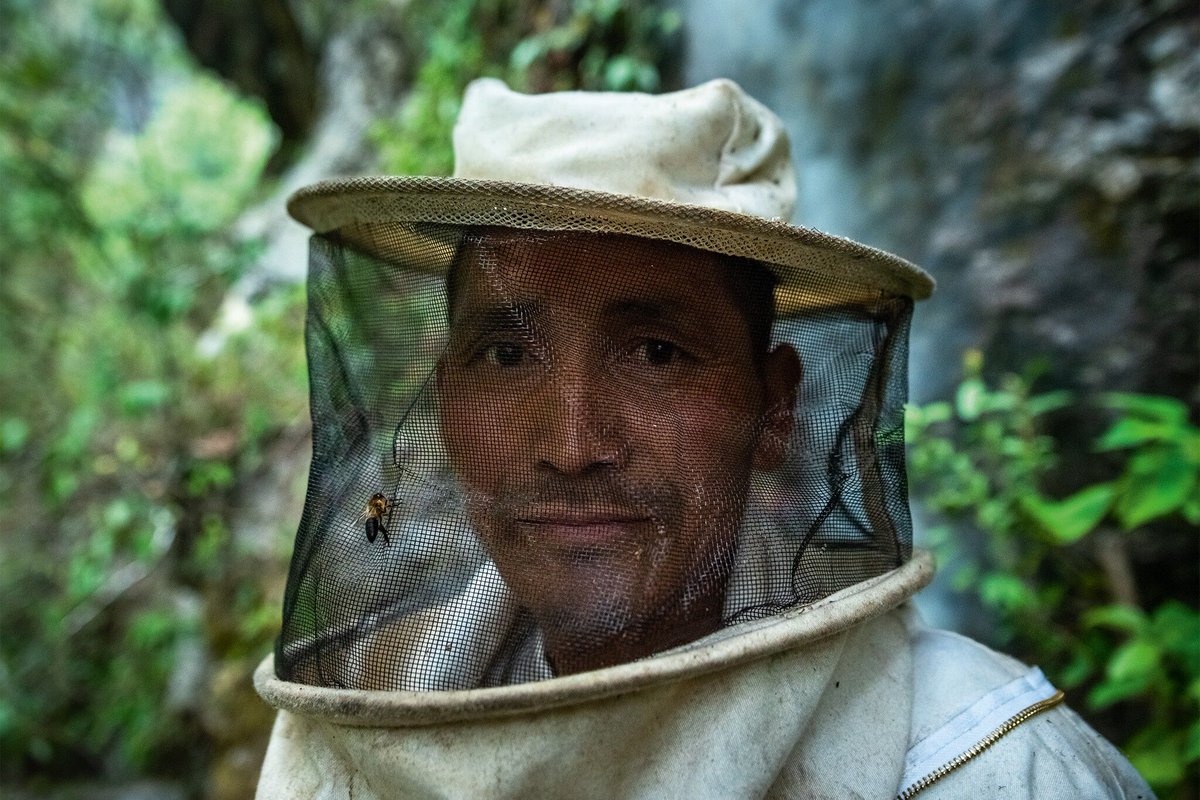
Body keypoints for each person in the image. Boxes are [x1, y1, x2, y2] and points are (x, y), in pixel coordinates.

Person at [255, 78, 1153, 798]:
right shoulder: (364, 720)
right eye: (507, 354)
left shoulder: (994, 765)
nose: (571, 443)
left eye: (655, 352)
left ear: (773, 410)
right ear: (450, 408)